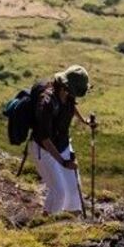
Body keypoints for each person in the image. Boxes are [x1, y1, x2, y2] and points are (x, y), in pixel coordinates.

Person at [30, 65, 92, 214]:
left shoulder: (68, 95)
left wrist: (84, 121)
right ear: (66, 87)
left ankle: (68, 225)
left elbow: (71, 106)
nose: (75, 95)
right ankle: (48, 226)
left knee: (73, 191)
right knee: (59, 193)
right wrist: (63, 162)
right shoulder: (47, 104)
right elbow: (45, 138)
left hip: (63, 144)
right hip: (44, 150)